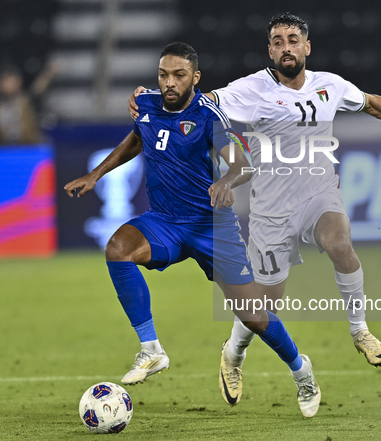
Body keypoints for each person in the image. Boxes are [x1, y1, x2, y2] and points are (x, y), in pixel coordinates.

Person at [128, 13, 381, 407]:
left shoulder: (330, 85)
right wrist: (149, 95)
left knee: (339, 243)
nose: (285, 47)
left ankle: (360, 331)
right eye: (277, 41)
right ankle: (233, 354)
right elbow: (200, 99)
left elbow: (371, 103)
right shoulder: (252, 88)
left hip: (319, 194)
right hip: (271, 211)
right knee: (264, 307)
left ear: (306, 46)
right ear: (269, 50)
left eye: (292, 39)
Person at [64, 42, 321, 418]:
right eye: (163, 75)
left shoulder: (208, 116)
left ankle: (302, 372)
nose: (170, 82)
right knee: (118, 248)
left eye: (179, 75)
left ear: (195, 78)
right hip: (164, 222)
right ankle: (151, 349)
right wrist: (95, 174)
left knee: (253, 315)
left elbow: (242, 165)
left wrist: (225, 183)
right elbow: (137, 139)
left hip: (210, 227)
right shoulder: (148, 105)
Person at [0, 62, 60, 145]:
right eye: (4, 81)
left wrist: (48, 73)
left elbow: (38, 89)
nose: (7, 85)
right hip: (5, 149)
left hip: (29, 148)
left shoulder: (27, 101)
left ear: (18, 82)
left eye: (10, 81)